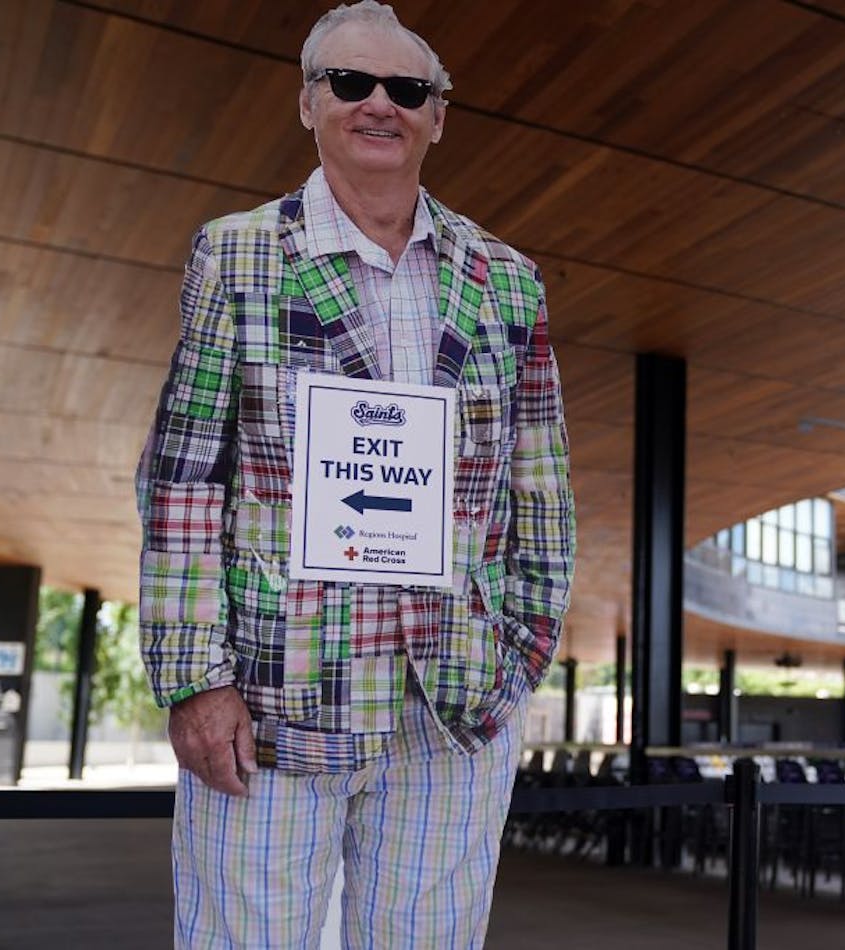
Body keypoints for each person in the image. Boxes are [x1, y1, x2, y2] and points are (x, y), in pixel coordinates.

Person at [135, 2, 574, 945]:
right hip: (275, 700)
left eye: (407, 89)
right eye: (350, 82)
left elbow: (540, 484)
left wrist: (522, 655)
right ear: (308, 103)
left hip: (453, 708)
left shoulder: (507, 279)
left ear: (438, 116)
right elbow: (181, 477)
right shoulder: (240, 255)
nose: (380, 104)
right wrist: (192, 680)